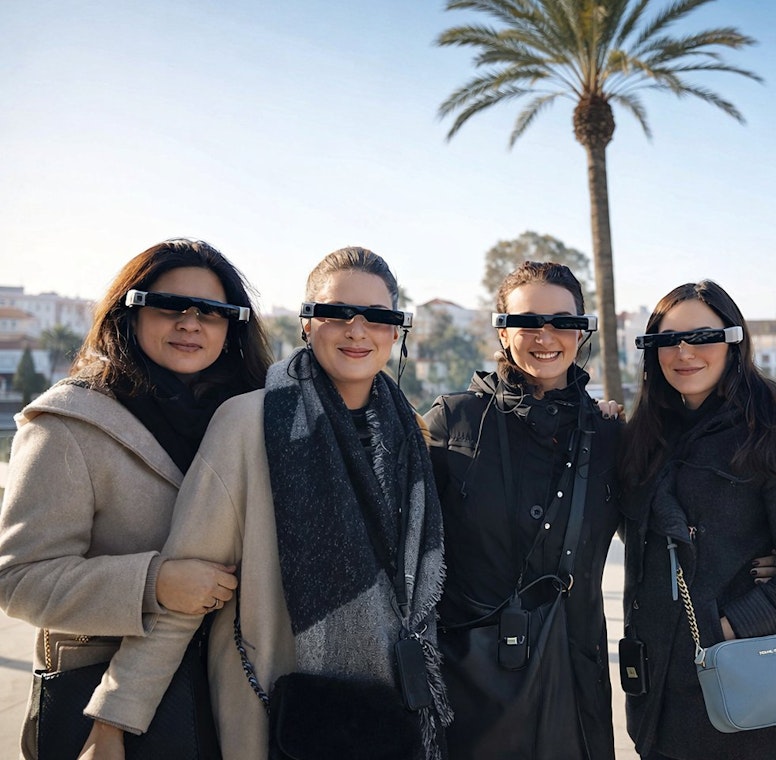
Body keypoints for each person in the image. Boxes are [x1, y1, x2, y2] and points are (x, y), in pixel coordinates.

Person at [80, 247, 449, 760]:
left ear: (396, 331)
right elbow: (187, 585)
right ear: (306, 324)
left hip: (393, 713)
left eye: (378, 317)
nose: (357, 331)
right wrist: (115, 719)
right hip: (278, 711)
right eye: (335, 312)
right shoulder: (250, 423)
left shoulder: (411, 431)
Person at [0, 239, 272, 758]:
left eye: (213, 312)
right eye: (169, 306)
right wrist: (153, 582)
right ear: (129, 312)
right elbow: (18, 579)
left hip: (242, 688)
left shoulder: (258, 416)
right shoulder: (69, 424)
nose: (191, 323)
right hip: (108, 700)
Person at [618, 280, 776, 760]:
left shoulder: (773, 435)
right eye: (667, 340)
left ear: (734, 341)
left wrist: (727, 627)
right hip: (657, 697)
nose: (684, 352)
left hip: (747, 696)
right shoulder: (643, 437)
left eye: (702, 337)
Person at [424, 261, 621, 760]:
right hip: (470, 681)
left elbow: (670, 521)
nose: (545, 336)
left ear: (583, 331)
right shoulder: (454, 422)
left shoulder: (610, 436)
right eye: (528, 322)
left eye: (563, 322)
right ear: (502, 330)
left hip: (575, 677)